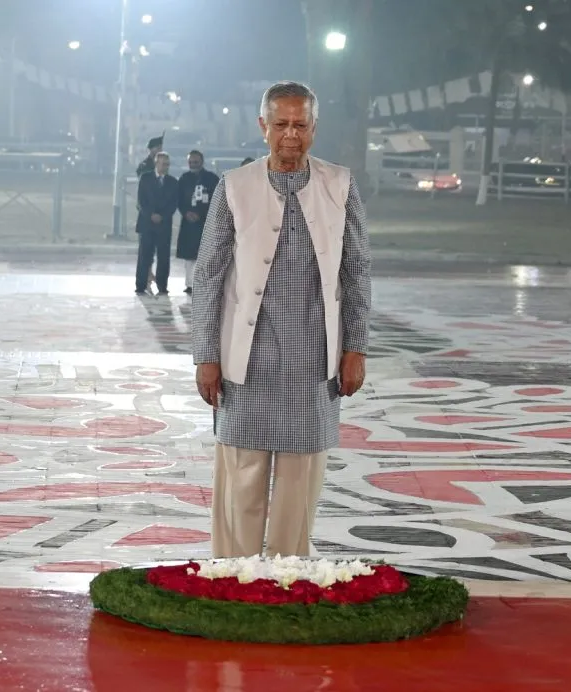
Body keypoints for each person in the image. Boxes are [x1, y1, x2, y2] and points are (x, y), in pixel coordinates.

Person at [191, 81, 372, 558]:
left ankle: (290, 578)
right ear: (263, 127)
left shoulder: (340, 184)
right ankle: (233, 576)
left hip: (314, 362)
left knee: (299, 485)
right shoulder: (234, 186)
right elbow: (207, 275)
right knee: (241, 478)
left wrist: (356, 349)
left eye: (300, 124)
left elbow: (356, 273)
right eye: (281, 124)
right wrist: (205, 356)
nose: (290, 135)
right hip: (246, 361)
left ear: (314, 128)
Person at [135, 152, 179, 295]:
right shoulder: (145, 178)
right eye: (163, 164)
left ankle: (162, 285)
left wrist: (162, 216)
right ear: (156, 163)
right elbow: (141, 201)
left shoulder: (173, 182)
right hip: (146, 224)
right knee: (144, 256)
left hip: (164, 225)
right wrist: (151, 215)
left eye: (167, 164)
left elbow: (174, 204)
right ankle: (141, 284)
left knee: (163, 257)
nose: (165, 167)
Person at [176, 150, 220, 294]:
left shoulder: (212, 179)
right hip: (188, 224)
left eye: (195, 162)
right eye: (190, 162)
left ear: (202, 161)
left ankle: (204, 283)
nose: (193, 165)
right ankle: (189, 284)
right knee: (189, 255)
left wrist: (202, 214)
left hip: (205, 223)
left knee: (205, 254)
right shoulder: (184, 179)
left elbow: (217, 200)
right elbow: (179, 200)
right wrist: (186, 212)